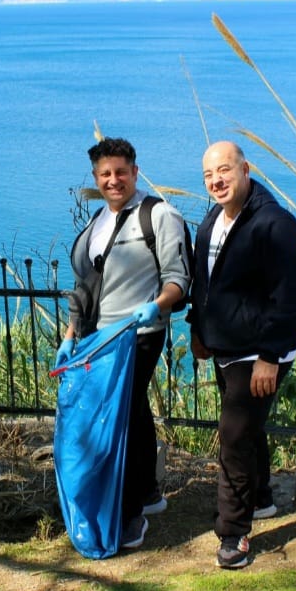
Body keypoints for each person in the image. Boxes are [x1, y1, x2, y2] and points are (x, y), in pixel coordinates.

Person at [56, 137, 191, 551]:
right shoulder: (98, 221)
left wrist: (157, 307)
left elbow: (177, 278)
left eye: (120, 172)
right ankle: (148, 493)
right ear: (97, 180)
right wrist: (68, 336)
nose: (113, 180)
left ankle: (130, 513)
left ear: (135, 171)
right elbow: (84, 287)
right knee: (132, 413)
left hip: (137, 335)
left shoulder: (160, 215)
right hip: (97, 340)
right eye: (104, 175)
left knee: (123, 418)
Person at [188, 141, 296, 569]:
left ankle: (234, 532)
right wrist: (197, 331)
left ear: (245, 169)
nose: (216, 180)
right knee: (248, 431)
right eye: (208, 175)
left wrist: (270, 356)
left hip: (259, 351)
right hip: (225, 346)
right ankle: (259, 499)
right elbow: (203, 284)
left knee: (234, 438)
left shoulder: (275, 224)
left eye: (224, 170)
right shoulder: (212, 221)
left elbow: (293, 299)